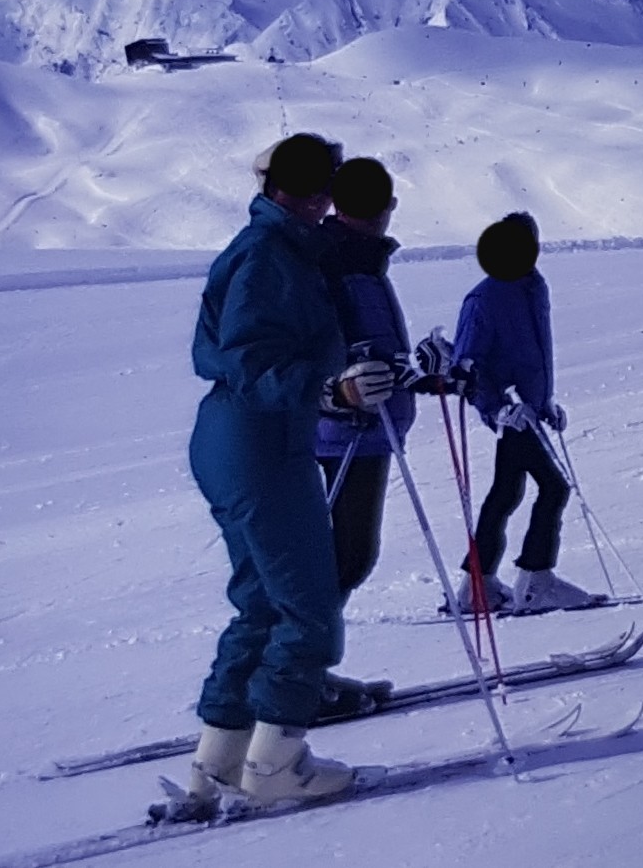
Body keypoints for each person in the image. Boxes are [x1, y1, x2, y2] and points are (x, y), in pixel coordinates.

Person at [183, 133, 397, 809]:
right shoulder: (271, 256)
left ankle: (218, 762)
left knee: (263, 603)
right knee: (308, 610)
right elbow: (250, 360)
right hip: (261, 443)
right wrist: (330, 390)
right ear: (313, 193)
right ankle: (277, 767)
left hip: (240, 440)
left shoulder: (275, 246)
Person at [450, 212, 602, 613]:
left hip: (529, 412)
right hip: (512, 416)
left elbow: (531, 353)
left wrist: (545, 403)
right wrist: (498, 408)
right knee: (554, 488)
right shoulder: (485, 298)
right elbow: (467, 363)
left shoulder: (533, 288)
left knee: (505, 494)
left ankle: (476, 587)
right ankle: (536, 581)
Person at [313, 156, 415, 717]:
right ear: (386, 207)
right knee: (345, 558)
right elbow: (329, 347)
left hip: (364, 426)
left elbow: (374, 346)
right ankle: (298, 677)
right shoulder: (340, 262)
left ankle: (307, 672)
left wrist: (416, 370)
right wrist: (339, 390)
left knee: (346, 556)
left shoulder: (361, 260)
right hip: (347, 431)